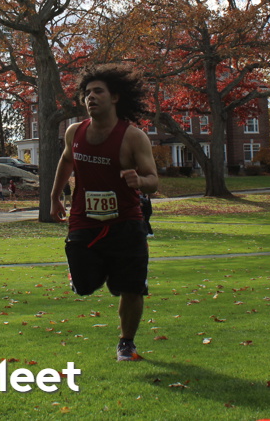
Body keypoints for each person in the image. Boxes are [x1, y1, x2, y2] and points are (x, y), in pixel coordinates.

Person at [50, 65, 158, 363]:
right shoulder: (75, 132)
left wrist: (140, 181)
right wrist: (55, 195)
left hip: (126, 223)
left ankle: (126, 343)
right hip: (84, 220)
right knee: (85, 286)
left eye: (98, 91)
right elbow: (66, 160)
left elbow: (153, 180)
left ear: (115, 97)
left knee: (131, 288)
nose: (91, 97)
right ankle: (84, 274)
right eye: (87, 93)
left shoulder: (133, 137)